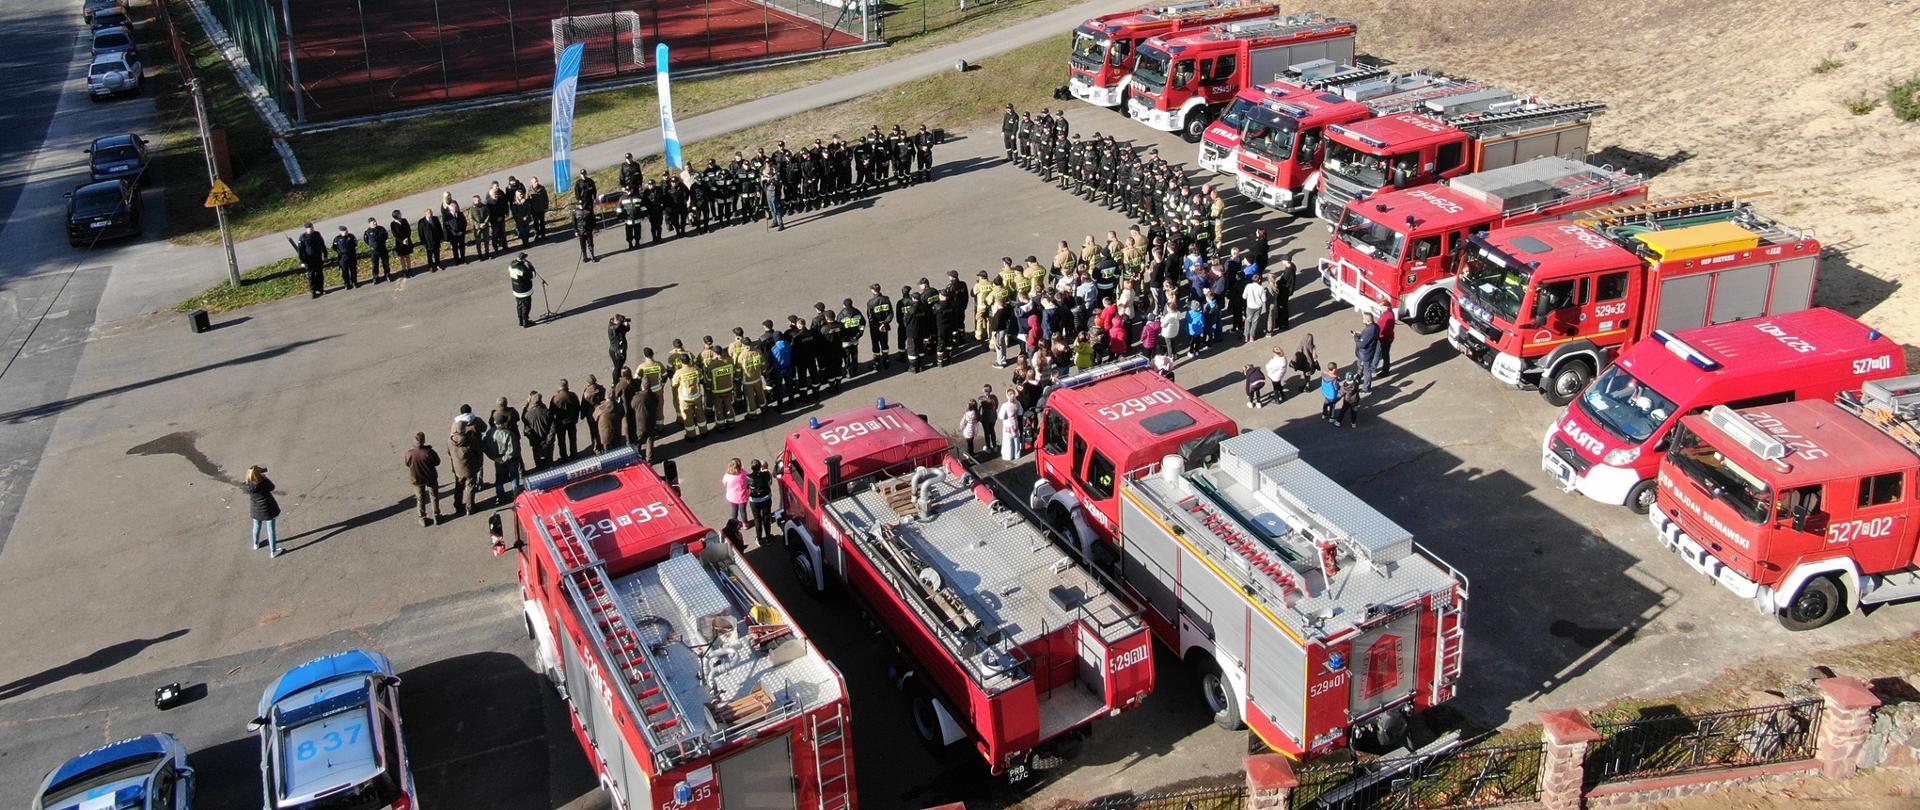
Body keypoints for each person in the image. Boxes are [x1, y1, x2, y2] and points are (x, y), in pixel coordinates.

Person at [487, 398, 523, 505]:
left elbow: (486, 447)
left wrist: (494, 457)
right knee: (514, 477)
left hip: (498, 459)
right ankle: (516, 495)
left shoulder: (490, 433)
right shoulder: (508, 434)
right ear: (503, 423)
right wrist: (504, 458)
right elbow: (512, 450)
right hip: (510, 459)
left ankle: (500, 496)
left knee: (499, 479)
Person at [403, 432, 442, 527]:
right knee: (434, 496)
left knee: (420, 498)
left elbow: (407, 464)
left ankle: (422, 518)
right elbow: (437, 462)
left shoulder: (409, 453)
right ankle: (437, 515)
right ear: (423, 441)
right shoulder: (429, 452)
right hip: (430, 477)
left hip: (416, 478)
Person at [244, 465, 281, 557]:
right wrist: (264, 477)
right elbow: (272, 487)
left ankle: (256, 544)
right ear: (258, 474)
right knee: (270, 529)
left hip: (255, 509)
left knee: (256, 526)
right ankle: (273, 551)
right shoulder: (263, 482)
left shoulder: (247, 485)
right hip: (268, 508)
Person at [448, 421, 483, 517]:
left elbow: (449, 453)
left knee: (458, 487)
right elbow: (478, 451)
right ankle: (470, 507)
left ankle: (458, 506)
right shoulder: (470, 440)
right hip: (470, 468)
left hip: (457, 468)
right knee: (470, 487)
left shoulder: (450, 441)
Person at [294, 223, 326, 298]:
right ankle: (313, 291)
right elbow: (300, 251)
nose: (311, 229)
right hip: (309, 260)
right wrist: (302, 261)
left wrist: (325, 255)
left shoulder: (317, 234)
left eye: (312, 228)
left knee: (320, 275)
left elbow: (322, 244)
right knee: (311, 276)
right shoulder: (302, 237)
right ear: (306, 229)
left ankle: (321, 289)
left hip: (318, 258)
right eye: (309, 228)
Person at [523, 392, 554, 470]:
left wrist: (537, 441)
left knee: (538, 459)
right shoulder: (546, 412)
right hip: (547, 441)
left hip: (536, 443)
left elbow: (527, 431)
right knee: (549, 459)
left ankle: (540, 470)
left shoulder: (527, 415)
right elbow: (553, 427)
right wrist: (549, 440)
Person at [550, 380, 580, 459]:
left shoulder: (555, 398)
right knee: (572, 439)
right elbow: (578, 408)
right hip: (571, 421)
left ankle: (564, 457)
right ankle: (574, 454)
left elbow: (551, 412)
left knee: (561, 441)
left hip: (560, 423)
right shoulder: (572, 395)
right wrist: (576, 418)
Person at [1352, 313, 1380, 393]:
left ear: (1368, 320)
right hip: (1366, 353)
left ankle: (1366, 388)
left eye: (1363, 318)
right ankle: (1358, 377)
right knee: (1360, 366)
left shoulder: (1369, 330)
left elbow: (1362, 344)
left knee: (1367, 371)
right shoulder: (1375, 326)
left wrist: (1356, 337)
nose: (1362, 320)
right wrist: (1361, 335)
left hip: (1365, 354)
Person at [509, 253, 538, 328]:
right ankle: (526, 321)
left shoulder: (511, 265)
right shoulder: (522, 268)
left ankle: (521, 321)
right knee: (526, 305)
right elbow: (533, 275)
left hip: (516, 289)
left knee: (519, 305)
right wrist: (531, 266)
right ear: (523, 259)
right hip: (524, 291)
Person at [747, 460, 773, 543]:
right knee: (766, 518)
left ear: (752, 467)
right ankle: (768, 538)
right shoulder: (766, 474)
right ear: (760, 467)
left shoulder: (748, 477)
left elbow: (746, 487)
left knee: (757, 519)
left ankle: (759, 539)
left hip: (754, 501)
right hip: (766, 498)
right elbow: (769, 483)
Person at [581, 374, 607, 452]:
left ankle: (596, 447)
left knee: (594, 431)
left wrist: (582, 415)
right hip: (601, 411)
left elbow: (584, 405)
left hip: (591, 415)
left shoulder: (587, 392)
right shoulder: (601, 388)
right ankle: (604, 444)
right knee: (602, 429)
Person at [1243, 271, 1270, 343]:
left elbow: (1244, 296)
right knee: (1255, 321)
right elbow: (1264, 299)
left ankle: (1246, 336)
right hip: (1258, 307)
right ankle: (1252, 336)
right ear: (1259, 280)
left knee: (1248, 320)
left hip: (1249, 306)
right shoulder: (1261, 288)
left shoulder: (1248, 286)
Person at [722, 458, 750, 527]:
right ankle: (745, 524)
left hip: (732, 496)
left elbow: (724, 483)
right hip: (742, 496)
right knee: (742, 510)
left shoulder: (727, 476)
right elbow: (749, 479)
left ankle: (734, 524)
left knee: (734, 510)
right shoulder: (743, 473)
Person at [997, 388, 1023, 462]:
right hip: (1015, 423)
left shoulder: (1005, 405)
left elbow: (1001, 416)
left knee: (1008, 442)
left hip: (1007, 425)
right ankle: (1017, 455)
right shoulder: (1017, 403)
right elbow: (1020, 412)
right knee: (1016, 440)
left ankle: (1009, 456)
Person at [363, 217, 391, 283]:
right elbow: (366, 240)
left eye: (375, 221)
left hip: (383, 248)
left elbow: (385, 236)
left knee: (386, 263)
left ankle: (387, 275)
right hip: (374, 251)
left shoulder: (381, 229)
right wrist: (373, 246)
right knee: (375, 264)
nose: (375, 223)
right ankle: (375, 277)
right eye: (373, 222)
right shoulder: (367, 232)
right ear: (369, 224)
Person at [332, 225, 360, 290]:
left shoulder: (351, 236)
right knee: (345, 271)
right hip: (343, 258)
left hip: (351, 256)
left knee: (353, 270)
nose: (346, 232)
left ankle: (354, 282)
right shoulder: (337, 238)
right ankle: (347, 283)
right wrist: (339, 252)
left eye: (346, 230)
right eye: (344, 231)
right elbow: (334, 247)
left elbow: (355, 243)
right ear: (340, 232)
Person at [389, 210, 415, 277]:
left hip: (407, 240)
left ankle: (409, 269)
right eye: (399, 214)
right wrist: (402, 241)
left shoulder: (404, 220)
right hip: (400, 243)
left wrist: (407, 238)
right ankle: (404, 270)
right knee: (402, 257)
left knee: (408, 256)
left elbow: (409, 230)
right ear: (396, 215)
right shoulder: (393, 224)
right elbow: (395, 234)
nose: (401, 214)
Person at [760, 161, 783, 230]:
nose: (766, 172)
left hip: (774, 193)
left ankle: (781, 223)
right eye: (765, 171)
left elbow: (777, 184)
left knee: (776, 209)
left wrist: (769, 179)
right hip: (768, 194)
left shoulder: (775, 175)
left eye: (768, 171)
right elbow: (762, 186)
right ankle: (774, 221)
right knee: (771, 208)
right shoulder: (764, 177)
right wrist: (763, 180)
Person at [442, 199, 467, 264]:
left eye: (456, 208)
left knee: (462, 247)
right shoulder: (447, 216)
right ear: (451, 209)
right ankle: (456, 260)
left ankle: (463, 259)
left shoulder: (460, 214)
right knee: (455, 248)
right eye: (455, 208)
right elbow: (447, 227)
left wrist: (462, 231)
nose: (456, 209)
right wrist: (455, 233)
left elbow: (464, 223)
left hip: (461, 234)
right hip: (453, 235)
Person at [608, 314, 630, 378]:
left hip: (621, 348)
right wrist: (621, 322)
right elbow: (616, 327)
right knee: (617, 368)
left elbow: (627, 329)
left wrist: (627, 324)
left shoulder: (619, 326)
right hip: (615, 351)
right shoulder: (611, 327)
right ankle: (615, 382)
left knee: (620, 366)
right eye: (620, 321)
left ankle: (618, 377)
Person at [1376, 306, 1397, 376]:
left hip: (1385, 338)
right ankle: (1385, 369)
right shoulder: (1388, 313)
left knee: (1385, 355)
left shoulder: (1388, 315)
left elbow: (1385, 328)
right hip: (1385, 337)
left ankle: (1385, 371)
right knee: (1385, 354)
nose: (1381, 307)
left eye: (1382, 306)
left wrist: (1379, 334)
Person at [528, 176, 551, 240]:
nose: (536, 183)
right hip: (534, 209)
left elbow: (546, 198)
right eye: (535, 182)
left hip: (541, 208)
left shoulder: (542, 188)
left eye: (537, 181)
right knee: (535, 223)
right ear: (531, 182)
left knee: (542, 223)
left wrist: (546, 206)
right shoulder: (529, 190)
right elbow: (528, 200)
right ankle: (537, 235)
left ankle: (543, 235)